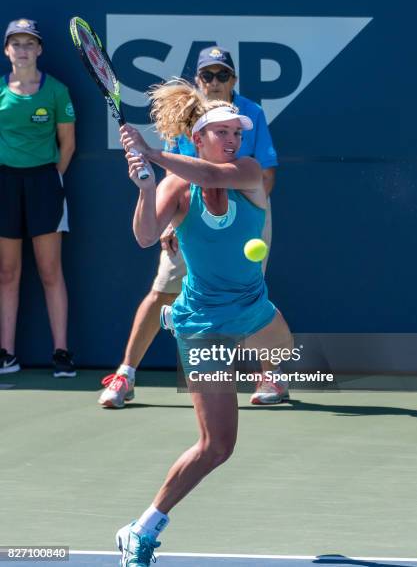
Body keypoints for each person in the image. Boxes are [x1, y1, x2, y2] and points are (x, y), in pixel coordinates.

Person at [114, 79, 294, 565]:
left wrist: (154, 153)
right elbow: (147, 236)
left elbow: (207, 170)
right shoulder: (178, 184)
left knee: (292, 363)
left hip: (254, 308)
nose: (234, 140)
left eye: (237, 133)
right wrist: (147, 188)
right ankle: (142, 528)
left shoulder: (248, 171)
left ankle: (258, 369)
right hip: (206, 323)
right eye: (223, 133)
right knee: (218, 446)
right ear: (199, 137)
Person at [99, 46, 287, 407]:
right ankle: (126, 374)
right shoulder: (188, 119)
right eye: (208, 75)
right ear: (199, 80)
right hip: (191, 212)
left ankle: (272, 376)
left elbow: (240, 173)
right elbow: (150, 225)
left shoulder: (249, 125)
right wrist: (149, 191)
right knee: (163, 290)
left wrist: (254, 211)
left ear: (233, 79)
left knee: (249, 292)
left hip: (245, 210)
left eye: (222, 75)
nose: (215, 82)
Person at [0, 19, 76, 377]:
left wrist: (50, 178)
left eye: (29, 43)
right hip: (5, 185)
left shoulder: (57, 91)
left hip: (45, 183)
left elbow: (68, 145)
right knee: (7, 272)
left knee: (50, 271)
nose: (23, 49)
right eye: (16, 43)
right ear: (7, 51)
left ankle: (61, 352)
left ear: (40, 50)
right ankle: (7, 353)